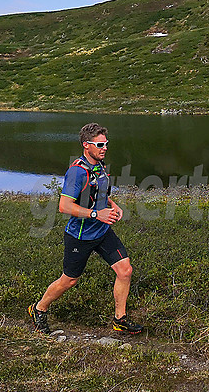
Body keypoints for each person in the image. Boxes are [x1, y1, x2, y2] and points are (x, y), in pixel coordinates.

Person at [29, 123, 144, 335]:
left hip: (101, 231)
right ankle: (39, 309)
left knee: (125, 270)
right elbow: (64, 206)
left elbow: (98, 191)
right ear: (86, 145)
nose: (105, 148)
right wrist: (95, 214)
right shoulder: (76, 172)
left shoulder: (99, 166)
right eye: (100, 144)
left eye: (106, 144)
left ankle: (120, 319)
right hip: (79, 236)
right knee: (69, 280)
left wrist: (111, 204)